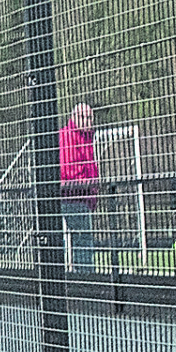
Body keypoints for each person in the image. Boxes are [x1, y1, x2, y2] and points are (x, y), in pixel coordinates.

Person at [60, 102, 99, 272]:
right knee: (83, 241)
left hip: (82, 197)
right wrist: (88, 185)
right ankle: (85, 279)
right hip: (72, 197)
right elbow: (68, 169)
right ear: (75, 118)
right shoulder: (68, 137)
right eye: (85, 117)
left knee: (82, 240)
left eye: (91, 118)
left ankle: (84, 276)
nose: (89, 121)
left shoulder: (86, 138)